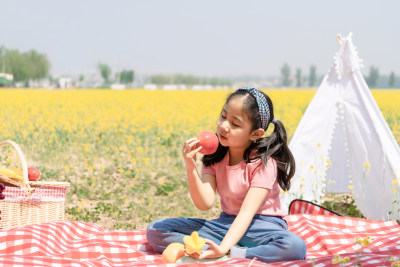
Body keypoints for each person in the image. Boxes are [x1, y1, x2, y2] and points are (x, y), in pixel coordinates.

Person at [146, 86, 306, 263]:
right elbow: (205, 203)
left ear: (255, 134)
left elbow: (246, 212)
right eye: (223, 116)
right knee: (156, 230)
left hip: (262, 227)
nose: (223, 126)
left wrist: (224, 247)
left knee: (295, 245)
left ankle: (230, 254)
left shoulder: (264, 162)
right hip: (225, 225)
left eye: (235, 124)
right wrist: (190, 165)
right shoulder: (215, 156)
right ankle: (215, 251)